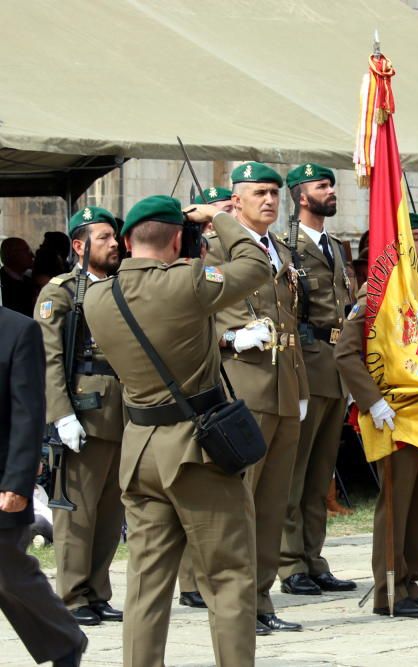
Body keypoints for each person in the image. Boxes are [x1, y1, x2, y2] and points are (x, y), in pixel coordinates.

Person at [84, 196, 269, 665]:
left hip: (141, 450)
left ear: (125, 241)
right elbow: (255, 263)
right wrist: (220, 217)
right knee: (228, 578)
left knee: (146, 585)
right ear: (175, 239)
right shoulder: (188, 282)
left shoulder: (96, 297)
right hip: (195, 452)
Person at [335, 215, 418, 618]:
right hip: (392, 413)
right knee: (397, 500)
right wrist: (371, 401)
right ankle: (389, 587)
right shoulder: (375, 295)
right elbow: (345, 353)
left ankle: (410, 580)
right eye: (416, 238)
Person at [205, 162, 310, 634]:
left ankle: (263, 599)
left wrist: (302, 387)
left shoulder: (280, 249)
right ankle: (237, 605)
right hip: (243, 382)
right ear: (235, 201)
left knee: (272, 502)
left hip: (284, 383)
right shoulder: (213, 249)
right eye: (259, 193)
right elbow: (192, 317)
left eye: (274, 192)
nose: (269, 200)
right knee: (240, 501)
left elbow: (290, 321)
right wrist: (228, 340)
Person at [34, 206, 125, 626]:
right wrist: (61, 415)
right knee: (78, 512)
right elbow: (50, 360)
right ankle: (71, 596)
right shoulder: (62, 292)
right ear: (79, 245)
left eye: (114, 236)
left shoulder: (121, 287)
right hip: (84, 413)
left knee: (110, 511)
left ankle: (97, 590)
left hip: (123, 412)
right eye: (104, 237)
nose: (114, 244)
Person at [276, 163, 357, 598]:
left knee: (321, 471)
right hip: (306, 364)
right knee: (296, 469)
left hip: (336, 364)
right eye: (321, 185)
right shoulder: (285, 246)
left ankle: (314, 557)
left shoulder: (335, 247)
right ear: (301, 195)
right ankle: (291, 563)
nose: (331, 191)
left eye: (330, 184)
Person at [0, 303, 88, 667]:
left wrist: (18, 483)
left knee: (7, 570)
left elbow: (28, 412)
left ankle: (65, 639)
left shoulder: (18, 330)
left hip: (3, 477)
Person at [0, 237, 37, 316]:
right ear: (13, 254)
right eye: (27, 251)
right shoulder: (2, 283)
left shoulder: (29, 280)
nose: (32, 255)